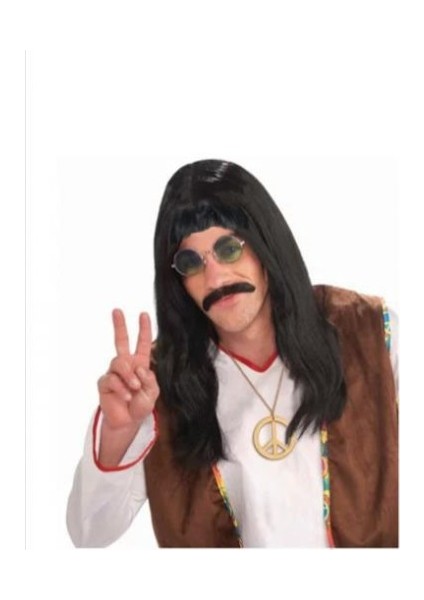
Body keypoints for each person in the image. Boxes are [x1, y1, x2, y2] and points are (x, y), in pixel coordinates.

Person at [67, 159, 398, 548]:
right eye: (191, 262)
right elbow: (89, 533)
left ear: (265, 243)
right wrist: (118, 433)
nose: (215, 278)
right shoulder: (156, 384)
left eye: (227, 248)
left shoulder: (370, 333)